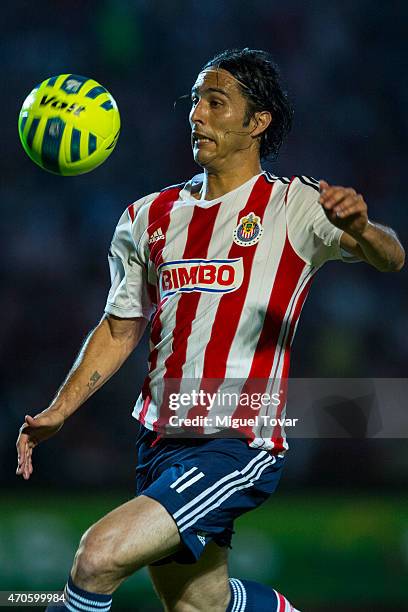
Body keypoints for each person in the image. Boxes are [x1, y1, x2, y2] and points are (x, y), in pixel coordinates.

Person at [16, 48, 404, 612]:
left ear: (257, 121)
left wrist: (364, 229)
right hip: (159, 442)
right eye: (195, 101)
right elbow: (120, 326)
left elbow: (391, 257)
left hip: (235, 442)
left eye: (215, 102)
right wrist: (60, 408)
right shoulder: (147, 216)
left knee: (97, 557)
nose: (196, 114)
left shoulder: (295, 205)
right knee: (201, 604)